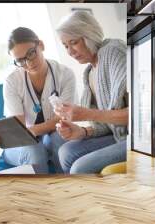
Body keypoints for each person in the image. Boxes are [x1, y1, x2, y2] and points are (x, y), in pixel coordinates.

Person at [0, 27, 76, 174]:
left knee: (60, 140)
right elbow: (18, 130)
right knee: (35, 150)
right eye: (20, 60)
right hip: (21, 145)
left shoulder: (65, 74)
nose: (29, 63)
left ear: (41, 45)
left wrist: (34, 130)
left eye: (31, 53)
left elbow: (64, 117)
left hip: (52, 134)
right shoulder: (12, 82)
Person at [54, 11, 128, 174]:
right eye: (65, 46)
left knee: (80, 168)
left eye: (73, 42)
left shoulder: (113, 52)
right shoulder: (89, 73)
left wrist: (88, 114)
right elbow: (108, 126)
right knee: (65, 152)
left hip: (141, 138)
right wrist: (82, 131)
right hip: (119, 136)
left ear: (90, 35)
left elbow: (140, 114)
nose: (70, 52)